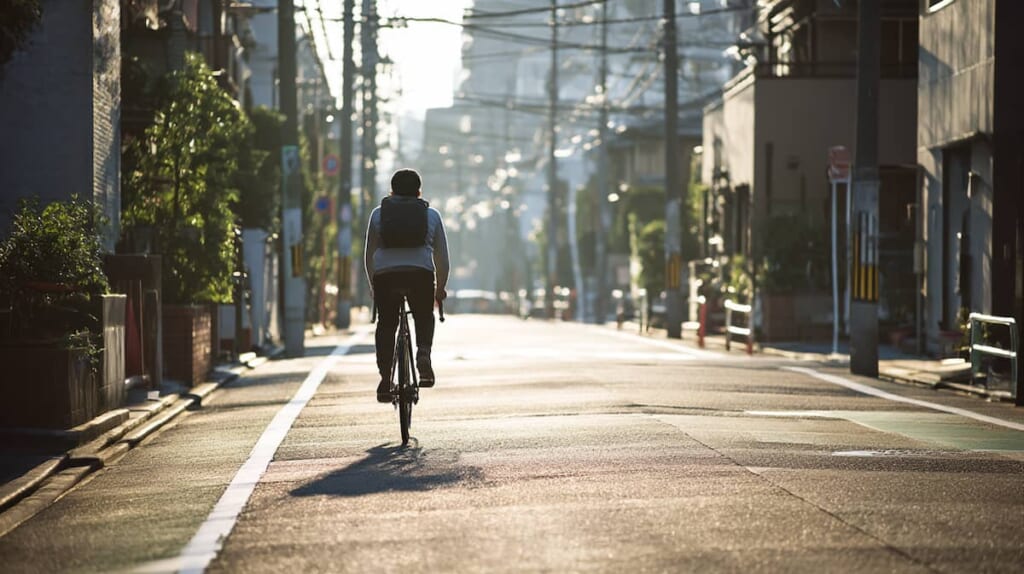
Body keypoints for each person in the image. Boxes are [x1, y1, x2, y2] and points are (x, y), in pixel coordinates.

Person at [364, 168, 449, 403]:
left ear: (391, 191)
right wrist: (439, 288)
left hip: (386, 276)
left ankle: (384, 379)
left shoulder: (378, 215)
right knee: (423, 315)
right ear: (419, 191)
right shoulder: (431, 215)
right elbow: (442, 257)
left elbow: (369, 254)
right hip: (420, 275)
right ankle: (423, 352)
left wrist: (373, 284)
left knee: (386, 324)